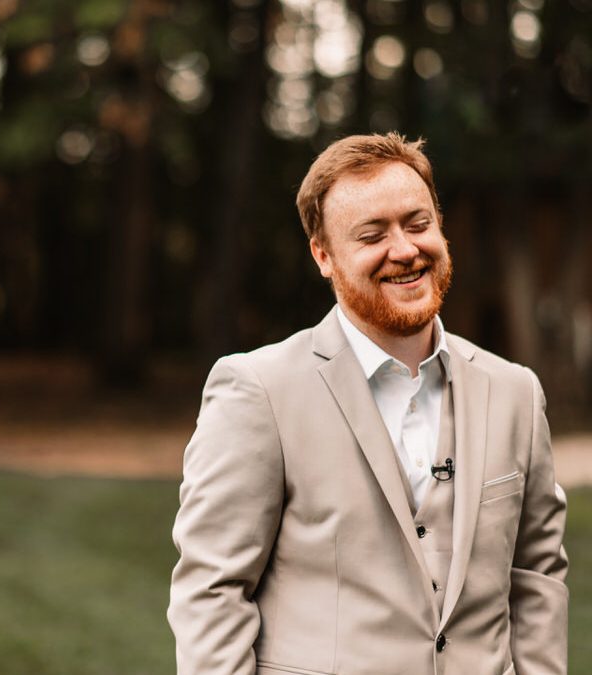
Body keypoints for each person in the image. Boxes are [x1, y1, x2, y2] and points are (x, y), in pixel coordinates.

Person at [168, 133, 568, 674]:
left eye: (418, 224)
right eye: (372, 235)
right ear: (324, 256)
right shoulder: (257, 391)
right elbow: (212, 590)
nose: (404, 250)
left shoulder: (515, 391)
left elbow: (537, 574)